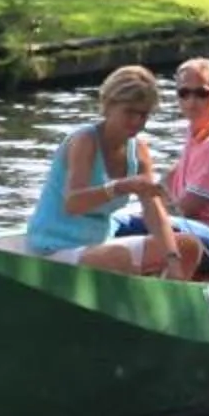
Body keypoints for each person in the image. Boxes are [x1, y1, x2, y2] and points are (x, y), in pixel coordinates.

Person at [25, 65, 191, 278]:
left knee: (187, 247)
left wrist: (172, 258)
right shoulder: (85, 141)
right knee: (118, 257)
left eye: (143, 115)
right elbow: (73, 203)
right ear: (109, 105)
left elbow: (154, 211)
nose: (137, 121)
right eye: (130, 112)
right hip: (55, 247)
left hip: (97, 245)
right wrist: (121, 187)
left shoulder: (139, 150)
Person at [113, 57, 209, 276]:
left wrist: (148, 215)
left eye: (201, 94)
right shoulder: (198, 130)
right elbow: (174, 174)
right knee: (121, 215)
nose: (191, 102)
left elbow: (189, 207)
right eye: (184, 93)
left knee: (121, 224)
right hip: (193, 227)